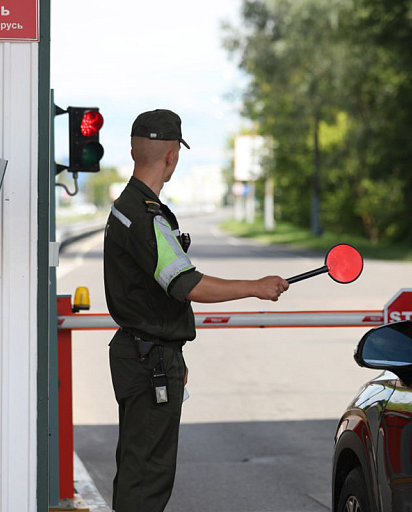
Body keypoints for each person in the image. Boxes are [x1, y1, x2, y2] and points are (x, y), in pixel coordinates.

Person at [103, 109, 289, 512]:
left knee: (138, 467)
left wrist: (171, 352)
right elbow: (186, 284)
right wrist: (256, 288)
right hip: (148, 357)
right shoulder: (145, 216)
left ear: (135, 150)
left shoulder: (128, 206)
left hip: (145, 352)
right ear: (172, 156)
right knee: (148, 476)